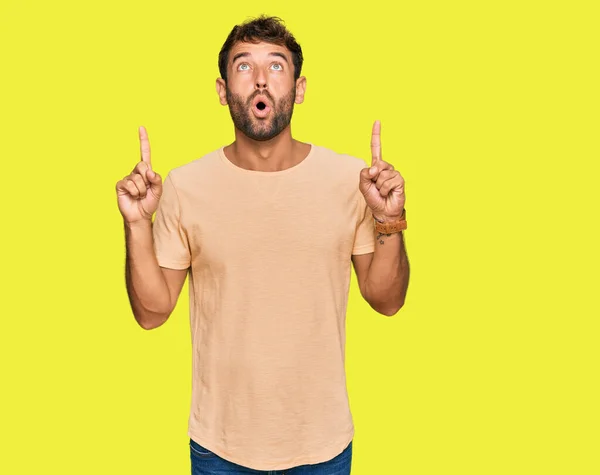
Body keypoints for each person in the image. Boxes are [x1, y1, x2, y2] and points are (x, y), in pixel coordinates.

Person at [116, 15, 409, 475]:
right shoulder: (185, 186)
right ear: (221, 89)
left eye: (276, 67)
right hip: (219, 449)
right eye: (243, 66)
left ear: (299, 87)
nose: (260, 80)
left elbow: (387, 300)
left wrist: (390, 217)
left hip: (323, 447)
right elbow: (152, 313)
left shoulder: (349, 181)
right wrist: (137, 224)